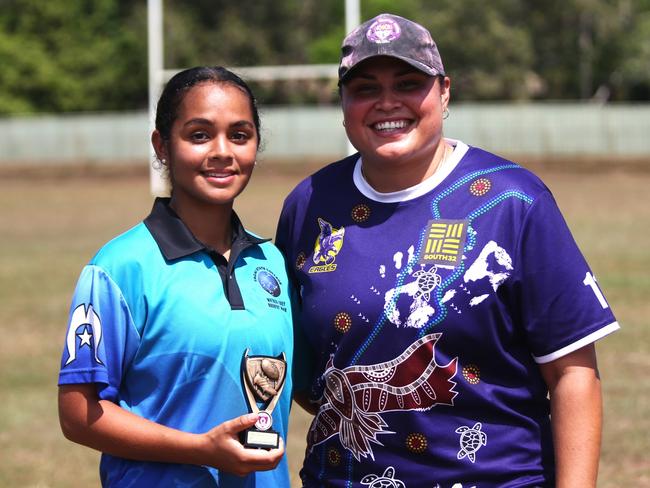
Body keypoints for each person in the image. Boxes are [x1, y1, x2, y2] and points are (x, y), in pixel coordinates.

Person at [275, 13, 619, 488]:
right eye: (365, 88)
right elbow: (311, 371)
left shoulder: (514, 202)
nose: (387, 102)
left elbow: (573, 375)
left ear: (445, 91)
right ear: (343, 102)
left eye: (408, 83)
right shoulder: (310, 204)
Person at [58, 66, 294, 487]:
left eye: (239, 135)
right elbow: (78, 415)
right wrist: (201, 449)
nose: (222, 151)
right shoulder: (118, 268)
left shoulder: (270, 261)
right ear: (162, 145)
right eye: (199, 135)